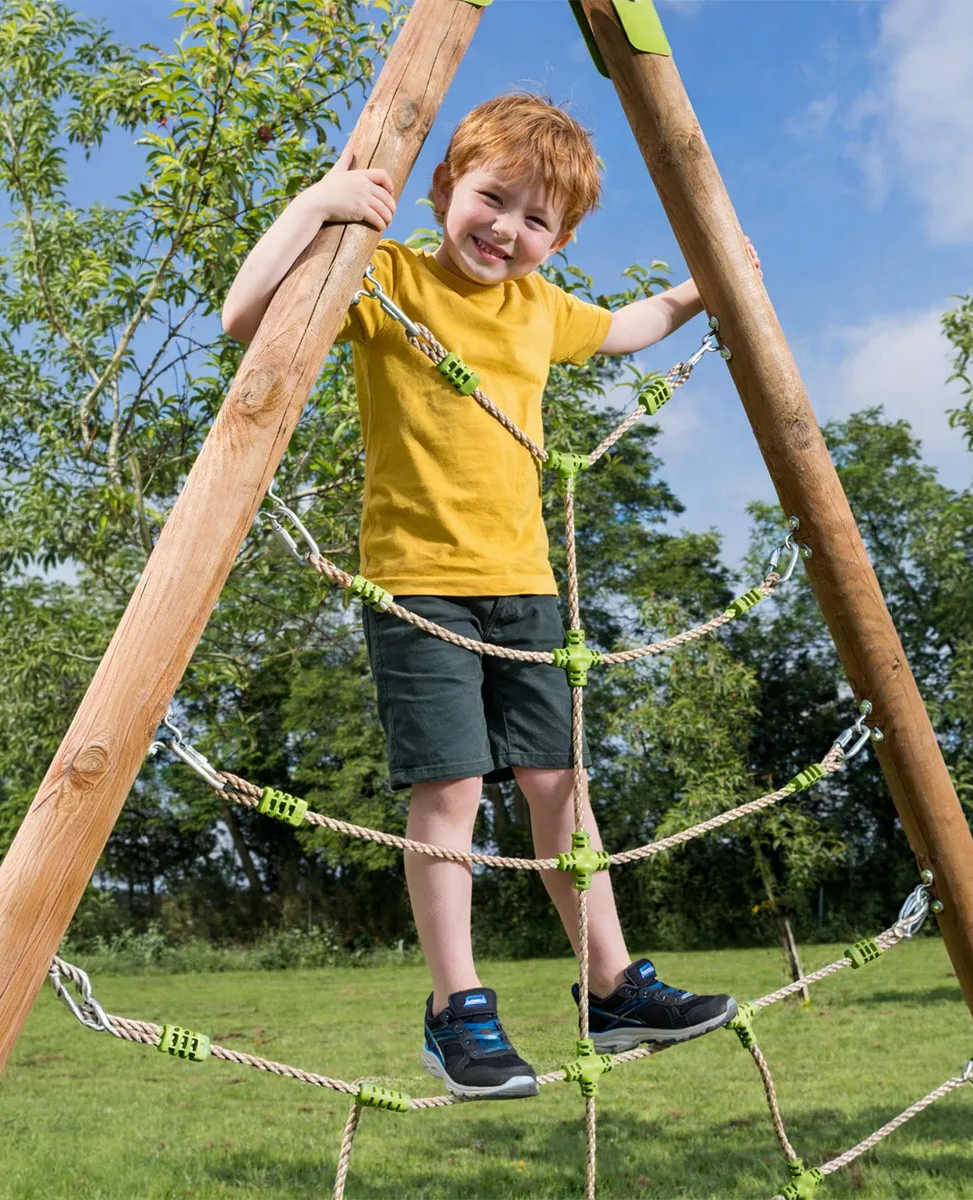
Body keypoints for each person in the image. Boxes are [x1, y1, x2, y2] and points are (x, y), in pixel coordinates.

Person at [223, 93, 751, 1101]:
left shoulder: (541, 310)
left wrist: (694, 294)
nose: (506, 227)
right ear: (442, 190)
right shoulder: (385, 279)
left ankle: (611, 985)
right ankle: (455, 1008)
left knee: (562, 791)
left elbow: (626, 327)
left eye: (535, 218)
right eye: (491, 197)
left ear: (560, 241)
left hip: (526, 591)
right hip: (422, 587)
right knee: (451, 793)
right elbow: (245, 315)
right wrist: (319, 204)